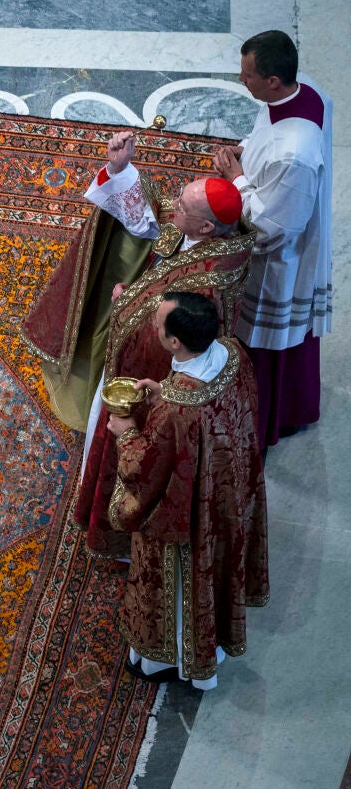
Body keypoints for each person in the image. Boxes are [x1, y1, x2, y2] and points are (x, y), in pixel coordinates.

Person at [24, 133, 255, 558]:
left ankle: (119, 538)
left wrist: (127, 303)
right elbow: (153, 214)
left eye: (183, 207)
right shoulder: (202, 229)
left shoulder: (211, 279)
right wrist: (120, 169)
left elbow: (172, 336)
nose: (174, 206)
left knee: (137, 460)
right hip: (146, 336)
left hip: (156, 377)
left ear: (206, 228)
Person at [105, 291, 267, 690]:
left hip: (190, 514)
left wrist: (126, 433)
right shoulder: (233, 354)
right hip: (228, 493)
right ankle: (214, 644)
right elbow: (219, 416)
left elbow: (145, 470)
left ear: (175, 342)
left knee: (182, 585)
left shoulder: (177, 410)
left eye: (158, 323)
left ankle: (173, 660)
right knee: (217, 571)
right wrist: (167, 390)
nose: (154, 325)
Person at [212, 30, 334, 445]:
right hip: (281, 204)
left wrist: (237, 179)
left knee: (269, 343)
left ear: (274, 81)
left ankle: (265, 422)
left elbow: (271, 230)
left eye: (247, 75)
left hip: (280, 265)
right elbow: (265, 132)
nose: (241, 79)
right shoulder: (306, 90)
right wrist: (246, 151)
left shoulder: (294, 153)